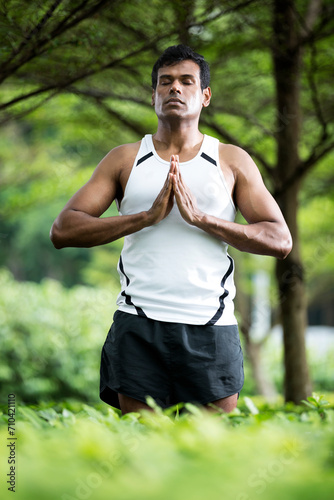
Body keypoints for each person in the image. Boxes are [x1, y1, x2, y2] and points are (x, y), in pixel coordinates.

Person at [50, 45, 292, 415]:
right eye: (165, 82)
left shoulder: (230, 160)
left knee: (211, 452)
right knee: (142, 451)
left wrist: (203, 219)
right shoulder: (125, 158)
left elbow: (280, 239)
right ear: (153, 96)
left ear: (205, 95)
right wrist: (143, 218)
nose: (174, 89)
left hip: (211, 326)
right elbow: (64, 229)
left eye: (185, 81)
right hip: (139, 323)